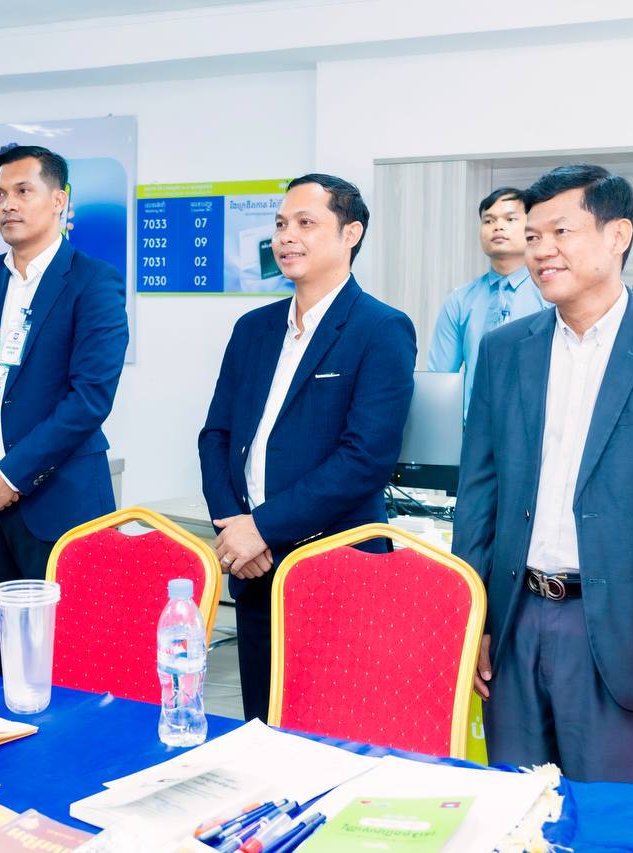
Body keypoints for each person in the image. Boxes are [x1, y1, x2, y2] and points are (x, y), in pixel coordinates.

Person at [453, 164, 633, 787]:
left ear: (618, 236)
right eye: (533, 236)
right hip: (514, 622)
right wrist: (471, 617)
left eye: (561, 231)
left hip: (622, 631)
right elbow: (479, 495)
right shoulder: (504, 349)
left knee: (613, 818)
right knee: (515, 807)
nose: (541, 250)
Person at [199, 174, 416, 721]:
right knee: (260, 724)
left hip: (336, 567)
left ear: (350, 234)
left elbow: (365, 459)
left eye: (305, 223)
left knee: (330, 729)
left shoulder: (381, 328)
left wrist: (261, 527)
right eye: (280, 224)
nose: (286, 236)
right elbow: (216, 435)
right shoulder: (254, 328)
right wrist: (234, 528)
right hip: (254, 567)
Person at [0, 145, 127, 645]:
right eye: (0, 194)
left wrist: (11, 476)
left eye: (23, 191)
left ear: (59, 201)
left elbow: (89, 397)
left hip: (60, 502)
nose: (8, 205)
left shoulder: (93, 281)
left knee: (62, 653)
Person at [428, 187, 547, 417]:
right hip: (474, 427)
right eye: (488, 220)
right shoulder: (460, 300)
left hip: (536, 425)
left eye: (510, 219)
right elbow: (439, 379)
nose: (497, 227)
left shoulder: (550, 294)